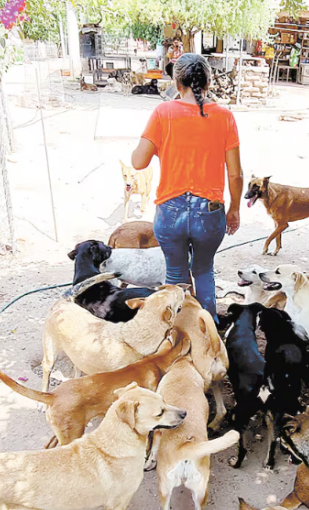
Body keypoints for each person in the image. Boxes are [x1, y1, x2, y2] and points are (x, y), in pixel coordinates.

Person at [132, 53, 242, 321]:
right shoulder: (224, 116)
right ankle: (209, 334)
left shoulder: (162, 113)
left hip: (171, 212)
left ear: (176, 81)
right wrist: (235, 210)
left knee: (176, 275)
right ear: (208, 81)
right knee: (204, 271)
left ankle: (177, 336)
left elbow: (138, 162)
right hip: (210, 212)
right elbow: (236, 174)